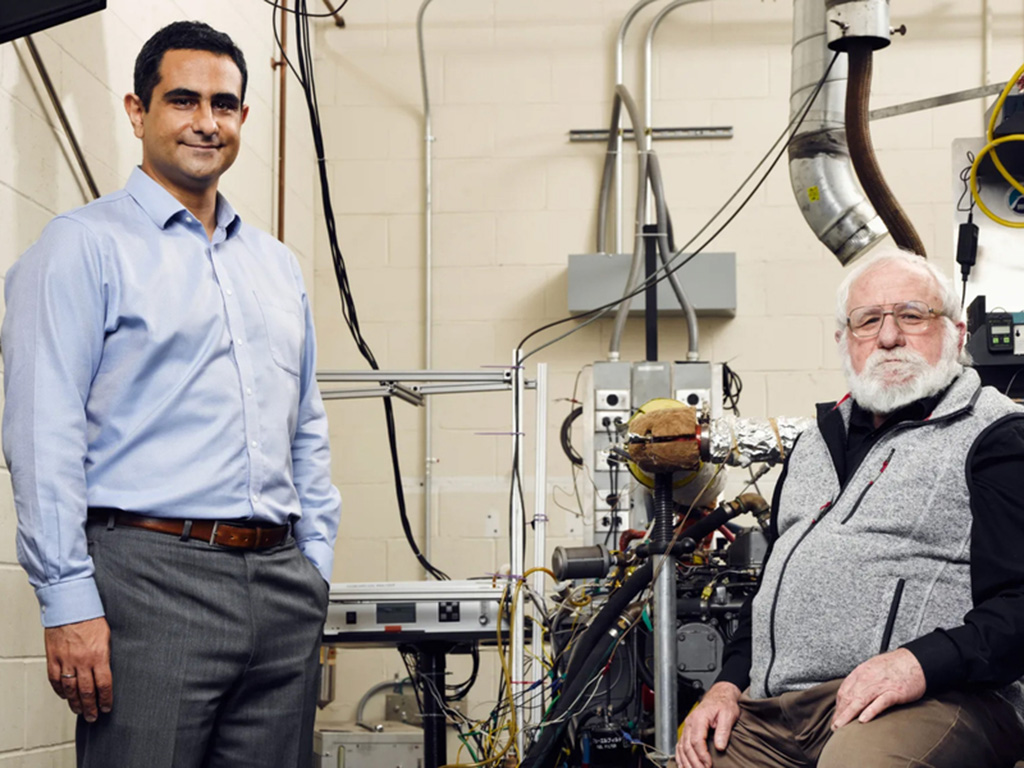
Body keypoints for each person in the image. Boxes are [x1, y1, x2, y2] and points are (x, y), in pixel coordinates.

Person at [1, 21, 340, 768]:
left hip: (281, 585)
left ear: (244, 118)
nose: (206, 122)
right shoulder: (79, 248)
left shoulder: (277, 267)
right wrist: (68, 602)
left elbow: (305, 427)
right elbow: (39, 433)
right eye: (182, 100)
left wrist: (315, 562)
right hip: (150, 582)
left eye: (224, 104)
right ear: (137, 111)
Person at [676, 247, 1024, 768]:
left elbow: (1019, 603)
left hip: (939, 698)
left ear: (955, 332)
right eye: (868, 321)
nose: (888, 337)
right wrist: (726, 685)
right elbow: (771, 594)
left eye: (912, 315)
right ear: (844, 341)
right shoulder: (815, 445)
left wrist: (917, 665)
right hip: (778, 712)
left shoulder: (996, 436)